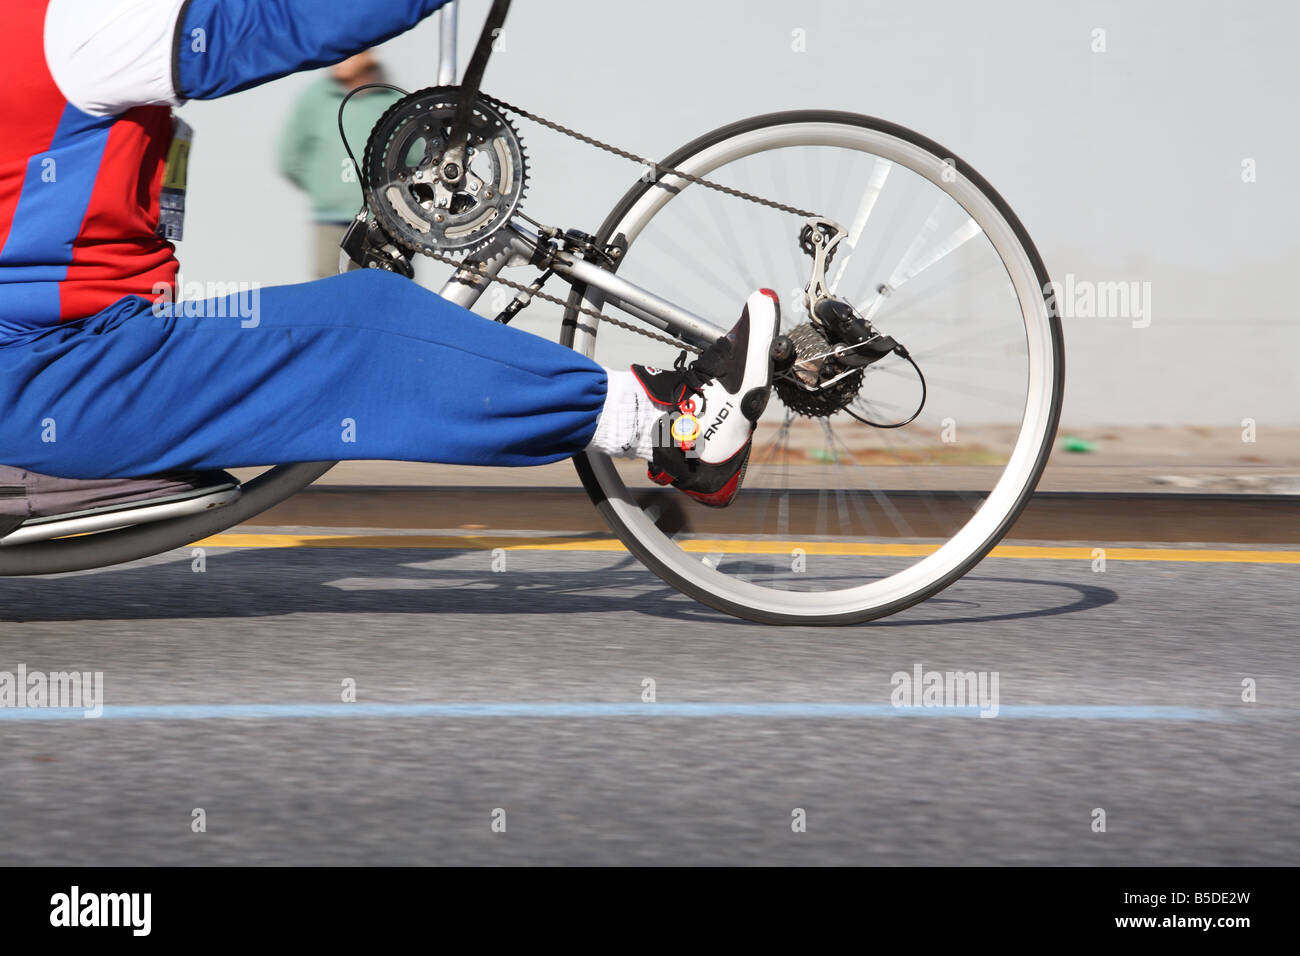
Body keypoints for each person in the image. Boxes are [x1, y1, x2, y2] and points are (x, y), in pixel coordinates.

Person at [0, 0, 776, 538]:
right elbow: (280, 20)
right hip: (58, 367)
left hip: (69, 350)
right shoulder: (69, 27)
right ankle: (674, 428)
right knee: (363, 325)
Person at [278, 50, 403, 280]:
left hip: (384, 225)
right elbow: (289, 158)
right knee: (327, 298)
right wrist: (326, 189)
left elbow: (415, 159)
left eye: (351, 52)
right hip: (330, 224)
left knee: (385, 296)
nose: (339, 59)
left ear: (369, 56)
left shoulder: (392, 100)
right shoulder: (315, 98)